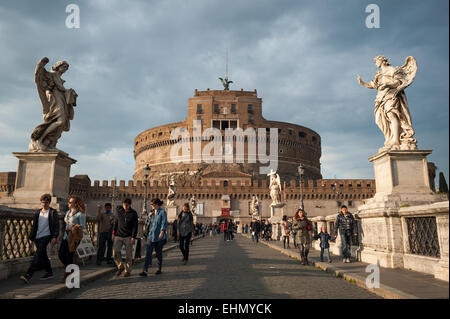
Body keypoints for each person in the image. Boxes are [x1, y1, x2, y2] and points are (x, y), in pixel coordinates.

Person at [20, 194, 59, 283]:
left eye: (46, 203)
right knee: (43, 255)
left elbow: (56, 226)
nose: (44, 204)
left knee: (37, 255)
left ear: (49, 203)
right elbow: (34, 226)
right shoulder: (38, 212)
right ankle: (49, 272)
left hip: (47, 236)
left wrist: (54, 237)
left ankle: (28, 275)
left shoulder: (53, 212)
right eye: (42, 202)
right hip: (38, 236)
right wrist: (31, 236)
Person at [58, 196, 86, 282]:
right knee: (61, 254)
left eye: (70, 202)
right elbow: (66, 220)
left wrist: (74, 226)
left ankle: (66, 276)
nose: (68, 203)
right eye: (69, 202)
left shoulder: (80, 214)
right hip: (66, 236)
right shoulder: (67, 212)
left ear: (75, 204)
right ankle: (72, 269)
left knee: (69, 256)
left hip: (74, 238)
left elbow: (83, 226)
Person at [140, 198, 167, 276]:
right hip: (151, 236)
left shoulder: (162, 212)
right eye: (151, 204)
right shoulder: (151, 212)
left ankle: (159, 268)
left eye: (152, 204)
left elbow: (164, 222)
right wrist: (148, 217)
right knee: (148, 253)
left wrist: (162, 232)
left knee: (158, 253)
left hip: (159, 237)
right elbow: (146, 223)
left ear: (157, 204)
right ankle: (145, 270)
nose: (151, 205)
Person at [112, 198, 138, 277]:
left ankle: (127, 271)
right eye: (124, 205)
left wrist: (133, 237)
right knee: (115, 252)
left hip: (128, 236)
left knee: (128, 255)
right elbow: (115, 222)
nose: (125, 206)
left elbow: (135, 226)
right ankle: (120, 266)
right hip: (118, 235)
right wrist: (113, 233)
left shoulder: (133, 213)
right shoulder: (119, 211)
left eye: (127, 205)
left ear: (130, 205)